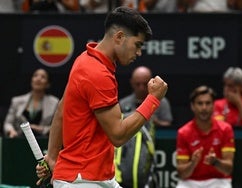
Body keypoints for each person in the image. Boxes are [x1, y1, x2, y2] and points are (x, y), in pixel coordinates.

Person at [36, 6, 168, 187]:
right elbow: (118, 136)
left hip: (98, 178)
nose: (139, 53)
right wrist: (153, 100)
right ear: (119, 37)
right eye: (137, 45)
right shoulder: (98, 74)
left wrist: (52, 157)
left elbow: (61, 110)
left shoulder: (85, 59)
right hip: (83, 181)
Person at [176, 85, 235, 188]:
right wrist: (193, 163)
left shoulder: (225, 129)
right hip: (190, 182)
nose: (204, 108)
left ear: (213, 105)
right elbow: (182, 174)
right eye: (200, 103)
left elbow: (228, 169)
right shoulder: (183, 132)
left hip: (219, 181)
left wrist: (215, 162)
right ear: (192, 106)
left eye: (208, 103)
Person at [3, 68, 59, 138]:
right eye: (35, 76)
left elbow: (57, 127)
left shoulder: (54, 102)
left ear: (47, 84)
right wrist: (10, 131)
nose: (38, 79)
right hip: (19, 139)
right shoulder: (17, 101)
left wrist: (40, 129)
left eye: (43, 77)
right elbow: (8, 123)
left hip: (43, 142)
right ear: (31, 80)